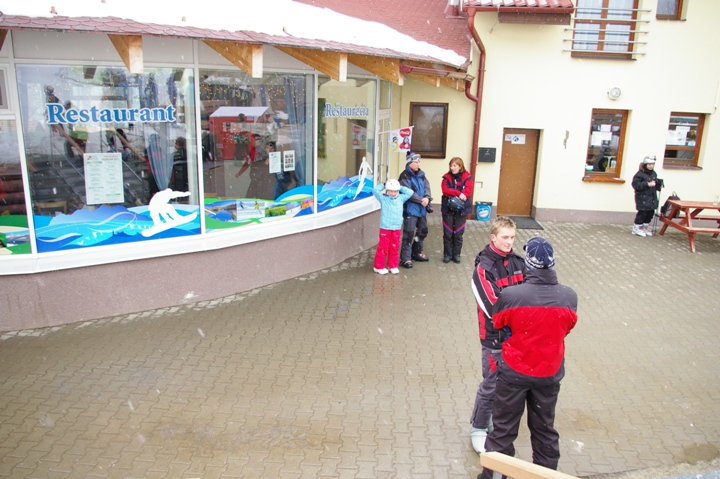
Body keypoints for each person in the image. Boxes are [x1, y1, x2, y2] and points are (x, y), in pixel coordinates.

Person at [479, 237, 578, 479]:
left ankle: (494, 475)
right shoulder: (569, 296)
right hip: (549, 373)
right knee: (544, 430)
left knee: (503, 430)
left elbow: (498, 322)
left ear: (529, 265)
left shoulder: (511, 295)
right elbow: (567, 328)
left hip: (514, 372)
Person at [469, 216, 525, 454]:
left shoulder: (519, 263)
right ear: (493, 237)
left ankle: (493, 420)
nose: (509, 242)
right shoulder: (483, 269)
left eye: (512, 237)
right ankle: (478, 427)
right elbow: (493, 307)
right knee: (491, 384)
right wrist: (518, 318)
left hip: (516, 337)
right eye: (505, 237)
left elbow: (529, 295)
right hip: (494, 338)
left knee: (508, 384)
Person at [371, 179, 414, 275]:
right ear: (387, 190)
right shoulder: (383, 198)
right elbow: (375, 190)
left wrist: (399, 187)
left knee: (394, 247)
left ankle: (393, 266)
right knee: (383, 247)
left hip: (396, 227)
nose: (393, 193)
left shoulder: (401, 198)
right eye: (391, 191)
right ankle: (378, 266)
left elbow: (410, 192)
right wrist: (384, 184)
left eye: (395, 191)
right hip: (385, 227)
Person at [398, 151, 432, 269]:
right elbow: (408, 192)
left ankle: (416, 252)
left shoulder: (422, 175)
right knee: (409, 233)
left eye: (419, 162)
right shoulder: (404, 176)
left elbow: (427, 187)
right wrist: (421, 200)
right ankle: (406, 258)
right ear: (410, 163)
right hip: (410, 210)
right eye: (416, 162)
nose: (418, 164)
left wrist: (427, 197)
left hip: (422, 209)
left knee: (423, 230)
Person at [441, 157, 474, 264]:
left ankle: (456, 254)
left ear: (460, 166)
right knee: (448, 233)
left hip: (461, 210)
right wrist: (458, 194)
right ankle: (447, 254)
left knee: (458, 233)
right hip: (448, 209)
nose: (452, 168)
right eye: (451, 165)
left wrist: (459, 195)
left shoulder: (467, 177)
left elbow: (467, 191)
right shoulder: (446, 177)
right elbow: (445, 190)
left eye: (454, 165)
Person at [631, 155, 662, 237]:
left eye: (653, 164)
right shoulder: (639, 174)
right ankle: (636, 228)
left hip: (652, 196)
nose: (651, 166)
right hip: (642, 197)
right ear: (645, 165)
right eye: (649, 164)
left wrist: (659, 185)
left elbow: (654, 182)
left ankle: (644, 227)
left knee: (650, 213)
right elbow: (635, 185)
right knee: (642, 213)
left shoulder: (653, 173)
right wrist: (647, 184)